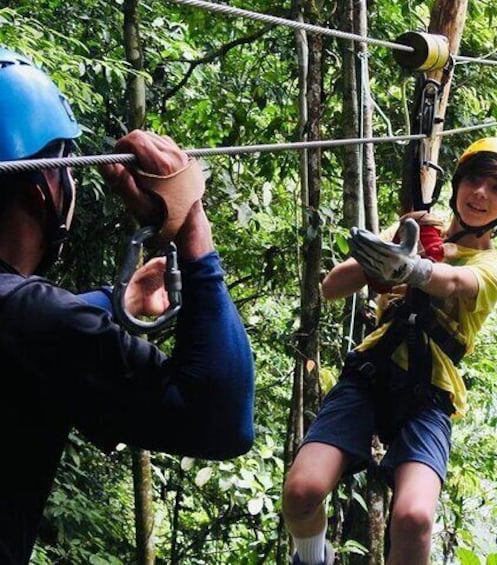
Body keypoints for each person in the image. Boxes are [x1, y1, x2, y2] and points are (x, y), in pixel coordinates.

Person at [0, 48, 255, 563]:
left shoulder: (34, 324)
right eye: (63, 165)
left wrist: (114, 305)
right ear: (42, 190)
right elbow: (223, 420)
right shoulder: (39, 324)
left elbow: (27, 329)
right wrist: (192, 228)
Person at [282, 137, 497, 564]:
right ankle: (311, 557)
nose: (480, 194)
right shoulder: (413, 232)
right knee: (302, 492)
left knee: (414, 519)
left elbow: (454, 282)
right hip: (370, 374)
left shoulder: (494, 265)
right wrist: (386, 251)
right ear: (457, 183)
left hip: (429, 392)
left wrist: (411, 266)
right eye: (474, 180)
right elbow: (331, 287)